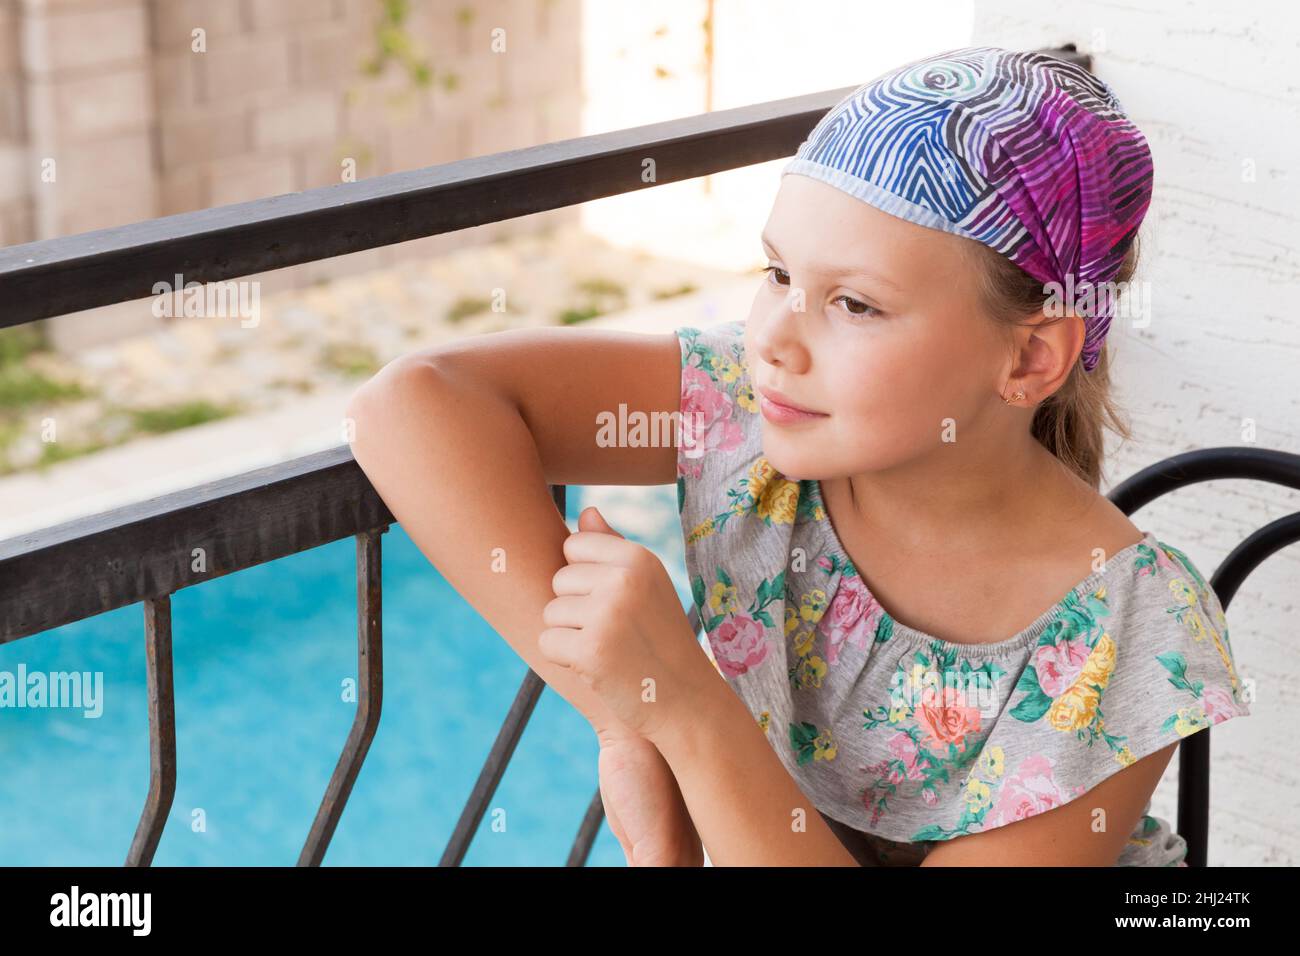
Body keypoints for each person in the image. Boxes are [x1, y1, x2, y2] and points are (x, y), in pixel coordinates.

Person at [345, 46, 1250, 866]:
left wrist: (686, 710)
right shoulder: (749, 419)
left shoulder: (1126, 633)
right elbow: (411, 406)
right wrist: (624, 713)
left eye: (854, 304)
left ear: (1028, 357)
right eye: (779, 274)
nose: (776, 338)